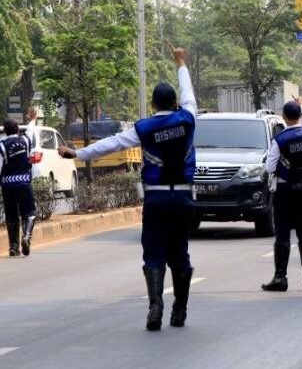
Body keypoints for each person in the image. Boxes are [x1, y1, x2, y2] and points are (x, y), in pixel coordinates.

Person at [58, 48, 197, 331]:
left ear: (154, 104)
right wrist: (181, 63)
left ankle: (155, 306)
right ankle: (180, 310)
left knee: (154, 252)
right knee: (179, 252)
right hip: (183, 196)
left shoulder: (144, 128)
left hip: (156, 197)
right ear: (175, 103)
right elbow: (189, 96)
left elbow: (113, 143)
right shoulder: (188, 119)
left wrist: (77, 153)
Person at [261, 96, 302, 292]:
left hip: (285, 189)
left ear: (284, 117)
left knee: (283, 232)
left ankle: (280, 278)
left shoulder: (280, 139)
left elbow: (269, 167)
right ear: (300, 115)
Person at [0, 110, 38, 257]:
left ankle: (14, 248)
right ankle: (26, 236)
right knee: (29, 213)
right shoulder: (26, 141)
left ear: (4, 131)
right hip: (24, 184)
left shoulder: (2, 146)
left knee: (11, 216)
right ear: (17, 129)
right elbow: (31, 129)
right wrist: (33, 119)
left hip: (7, 186)